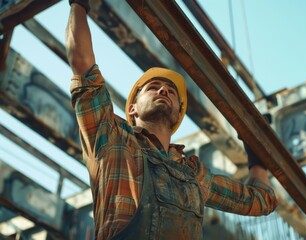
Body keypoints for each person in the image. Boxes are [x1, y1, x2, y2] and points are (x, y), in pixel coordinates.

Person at [66, 1, 278, 239]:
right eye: (153, 87)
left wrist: (254, 147)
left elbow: (261, 200)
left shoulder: (193, 175)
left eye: (171, 91)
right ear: (132, 108)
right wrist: (79, 6)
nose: (164, 91)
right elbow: (83, 68)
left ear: (178, 113)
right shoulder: (113, 139)